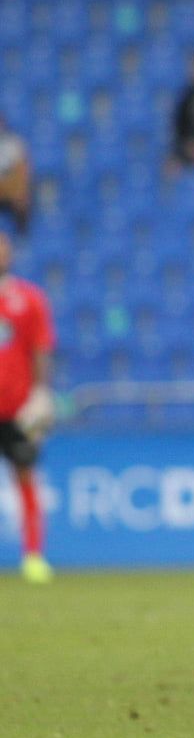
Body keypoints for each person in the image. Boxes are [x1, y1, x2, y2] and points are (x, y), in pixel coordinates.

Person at [0, 230, 56, 583]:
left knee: (25, 477)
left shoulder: (29, 298)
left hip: (17, 407)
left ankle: (33, 556)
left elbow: (41, 349)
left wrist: (40, 394)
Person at [0, 113, 31, 232]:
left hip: (10, 186)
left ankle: (22, 238)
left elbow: (24, 168)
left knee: (22, 196)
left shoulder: (14, 143)